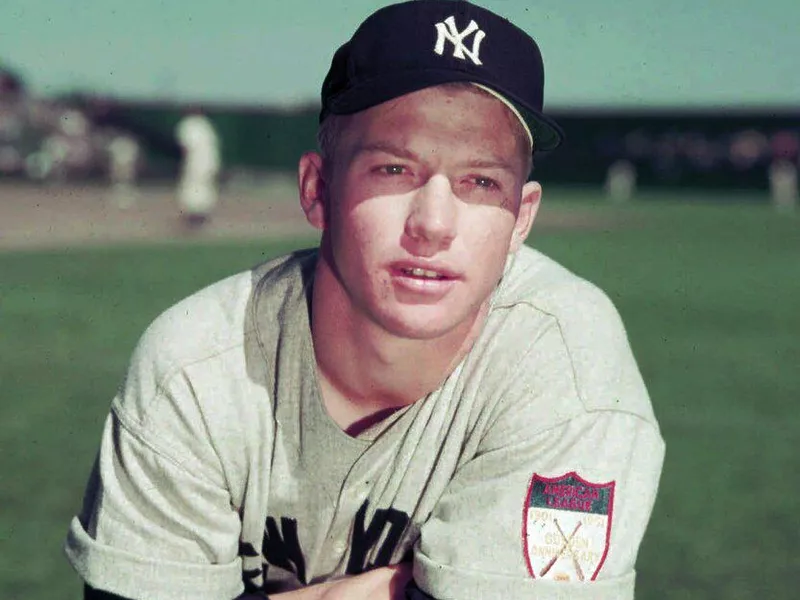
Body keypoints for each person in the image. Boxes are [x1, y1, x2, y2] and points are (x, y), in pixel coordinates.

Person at [65, 1, 665, 599]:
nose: (433, 224)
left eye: (480, 182)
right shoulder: (197, 365)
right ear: (317, 189)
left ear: (521, 219)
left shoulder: (566, 365)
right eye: (394, 170)